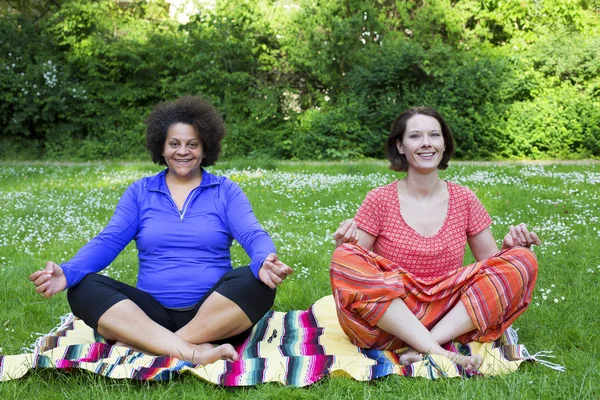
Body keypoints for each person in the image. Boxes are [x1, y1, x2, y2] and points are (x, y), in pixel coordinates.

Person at [29, 96, 293, 365]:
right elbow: (108, 242)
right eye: (174, 144)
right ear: (162, 146)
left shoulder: (225, 191)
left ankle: (152, 344)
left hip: (214, 314)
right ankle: (192, 351)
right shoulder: (140, 192)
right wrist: (69, 271)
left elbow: (253, 234)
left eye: (193, 144)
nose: (183, 152)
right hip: (149, 314)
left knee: (259, 282)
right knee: (83, 287)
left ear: (205, 148)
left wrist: (263, 260)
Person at [330, 107, 540, 370]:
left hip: (450, 313)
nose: (426, 143)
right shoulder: (379, 200)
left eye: (434, 135)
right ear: (401, 146)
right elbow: (356, 272)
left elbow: (490, 264)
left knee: (523, 259)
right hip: (393, 318)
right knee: (344, 257)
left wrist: (510, 250)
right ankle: (443, 353)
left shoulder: (464, 198)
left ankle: (424, 345)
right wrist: (344, 245)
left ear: (444, 145)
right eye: (416, 136)